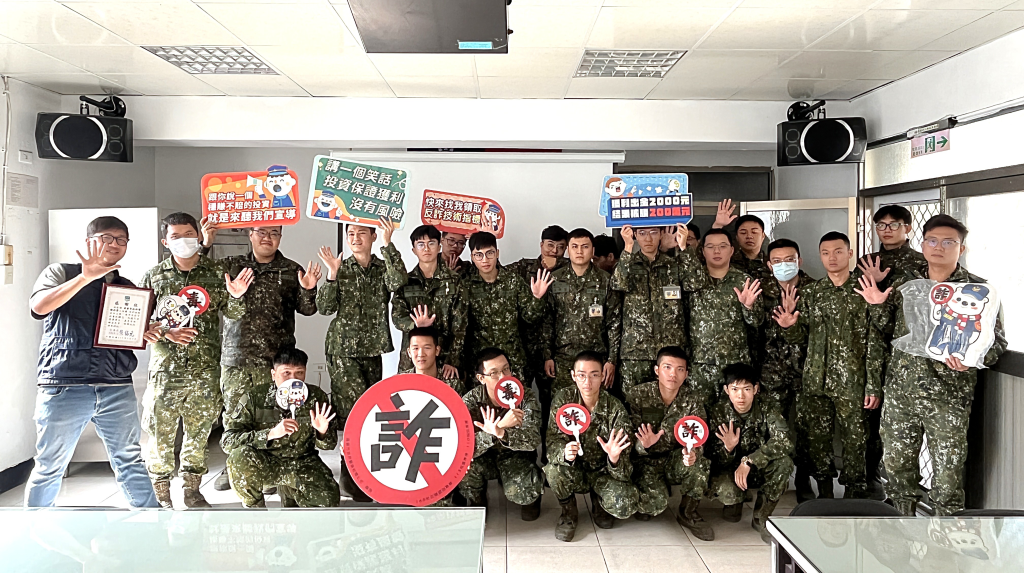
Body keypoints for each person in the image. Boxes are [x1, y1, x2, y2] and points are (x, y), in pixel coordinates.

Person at [857, 214, 1007, 516]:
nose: (939, 247)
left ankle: (945, 533)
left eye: (948, 242)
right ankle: (902, 525)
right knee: (897, 466)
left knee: (948, 474)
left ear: (961, 248)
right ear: (923, 244)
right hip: (901, 393)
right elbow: (886, 331)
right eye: (932, 241)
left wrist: (971, 361)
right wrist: (877, 306)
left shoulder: (978, 291)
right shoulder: (906, 284)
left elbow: (997, 342)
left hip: (948, 396)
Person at [25, 216, 158, 508]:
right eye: (106, 238)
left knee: (130, 459)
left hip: (116, 384)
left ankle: (152, 521)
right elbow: (39, 307)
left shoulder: (125, 286)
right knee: (50, 465)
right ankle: (33, 528)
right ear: (89, 242)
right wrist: (85, 277)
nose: (114, 244)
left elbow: (125, 335)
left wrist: (147, 332)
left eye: (121, 239)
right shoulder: (60, 272)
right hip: (65, 383)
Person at [138, 212, 254, 508]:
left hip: (205, 370)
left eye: (189, 234)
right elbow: (140, 323)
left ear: (199, 236)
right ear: (165, 242)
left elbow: (234, 315)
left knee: (199, 433)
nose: (183, 241)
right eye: (175, 236)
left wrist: (237, 296)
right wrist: (166, 332)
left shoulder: (216, 273)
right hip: (166, 371)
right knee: (160, 434)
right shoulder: (154, 276)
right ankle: (160, 493)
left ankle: (192, 490)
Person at [199, 220, 321, 492]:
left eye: (274, 233)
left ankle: (269, 467)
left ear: (281, 237)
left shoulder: (291, 270)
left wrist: (308, 289)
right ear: (250, 234)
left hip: (276, 360)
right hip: (237, 356)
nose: (268, 237)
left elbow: (307, 309)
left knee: (274, 413)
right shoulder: (233, 265)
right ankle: (234, 466)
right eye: (262, 232)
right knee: (235, 414)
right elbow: (200, 272)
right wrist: (205, 244)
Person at [773, 231, 884, 500]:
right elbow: (801, 339)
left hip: (853, 381)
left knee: (855, 439)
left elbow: (876, 341)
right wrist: (789, 327)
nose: (831, 258)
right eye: (825, 253)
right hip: (815, 380)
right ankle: (823, 492)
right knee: (816, 439)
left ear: (849, 254)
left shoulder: (864, 291)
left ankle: (854, 494)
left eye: (837, 252)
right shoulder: (812, 293)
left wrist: (873, 384)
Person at [316, 217, 406, 501]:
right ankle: (349, 473)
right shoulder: (340, 267)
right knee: (352, 411)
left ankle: (366, 468)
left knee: (370, 411)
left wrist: (389, 244)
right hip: (343, 349)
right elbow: (324, 307)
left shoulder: (382, 267)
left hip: (372, 349)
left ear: (373, 237)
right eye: (351, 233)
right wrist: (331, 274)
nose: (355, 238)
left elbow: (398, 281)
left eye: (361, 233)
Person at [855, 204, 926, 489]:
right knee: (869, 421)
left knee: (902, 424)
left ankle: (900, 483)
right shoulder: (867, 262)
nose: (886, 230)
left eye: (893, 224)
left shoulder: (922, 263)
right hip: (870, 348)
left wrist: (884, 287)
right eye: (881, 225)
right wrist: (873, 283)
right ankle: (869, 477)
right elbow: (858, 303)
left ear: (907, 227)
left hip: (907, 351)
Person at [222, 348, 341, 508]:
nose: (293, 379)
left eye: (299, 373)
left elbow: (329, 445)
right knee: (239, 458)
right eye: (286, 373)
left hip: (303, 461)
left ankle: (289, 491)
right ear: (273, 374)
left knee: (328, 503)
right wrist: (270, 434)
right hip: (266, 462)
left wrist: (321, 432)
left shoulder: (316, 397)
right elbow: (228, 441)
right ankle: (255, 509)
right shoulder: (255, 397)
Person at [544, 351, 639, 542]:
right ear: (573, 376)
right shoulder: (563, 400)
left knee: (625, 504)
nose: (587, 382)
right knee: (554, 471)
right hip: (575, 470)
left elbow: (624, 470)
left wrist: (614, 458)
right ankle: (568, 513)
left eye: (594, 375)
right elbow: (552, 442)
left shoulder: (614, 408)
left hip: (603, 472)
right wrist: (564, 453)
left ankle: (599, 503)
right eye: (581, 375)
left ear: (603, 376)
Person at [626, 346, 713, 540]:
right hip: (647, 461)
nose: (673, 374)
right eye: (667, 367)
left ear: (686, 374)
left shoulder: (693, 400)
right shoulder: (638, 395)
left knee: (699, 464)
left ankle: (688, 512)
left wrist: (693, 453)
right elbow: (628, 435)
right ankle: (653, 490)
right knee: (653, 505)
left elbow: (699, 435)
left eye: (680, 369)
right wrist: (644, 445)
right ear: (657, 370)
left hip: (676, 457)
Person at [707, 363, 794, 544]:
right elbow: (711, 458)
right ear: (726, 390)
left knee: (784, 463)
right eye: (735, 389)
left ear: (755, 389)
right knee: (729, 495)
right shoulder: (717, 413)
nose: (741, 396)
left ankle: (761, 516)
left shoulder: (768, 408)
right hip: (729, 470)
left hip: (756, 468)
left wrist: (750, 460)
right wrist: (728, 448)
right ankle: (735, 502)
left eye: (746, 389)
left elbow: (784, 441)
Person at [611, 225, 696, 396]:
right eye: (642, 233)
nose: (648, 239)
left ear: (662, 234)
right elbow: (617, 284)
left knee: (671, 400)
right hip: (635, 353)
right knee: (633, 401)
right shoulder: (627, 263)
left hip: (670, 350)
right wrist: (628, 246)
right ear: (635, 235)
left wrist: (684, 247)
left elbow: (695, 282)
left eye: (653, 233)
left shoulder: (673, 265)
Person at [761, 238, 816, 502]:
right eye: (777, 261)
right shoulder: (760, 291)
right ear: (769, 265)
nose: (784, 265)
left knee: (808, 428)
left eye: (789, 260)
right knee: (772, 426)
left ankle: (804, 479)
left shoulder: (815, 290)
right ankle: (770, 479)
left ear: (799, 261)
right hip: (771, 371)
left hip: (806, 370)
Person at [459, 348, 543, 519]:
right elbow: (462, 448)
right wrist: (498, 429)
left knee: (524, 491)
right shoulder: (470, 401)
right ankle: (477, 498)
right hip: (484, 457)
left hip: (515, 456)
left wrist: (504, 435)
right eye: (494, 373)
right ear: (481, 378)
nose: (503, 377)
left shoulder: (525, 396)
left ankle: (532, 499)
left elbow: (534, 440)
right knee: (464, 470)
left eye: (506, 369)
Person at [683, 227, 764, 404]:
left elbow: (757, 322)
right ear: (702, 251)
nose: (717, 251)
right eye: (711, 247)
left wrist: (748, 307)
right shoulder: (691, 281)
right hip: (700, 365)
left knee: (735, 413)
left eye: (722, 246)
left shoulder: (744, 281)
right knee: (701, 414)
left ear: (732, 250)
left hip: (736, 363)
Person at [460, 231, 552, 381]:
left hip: (512, 359)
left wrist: (536, 298)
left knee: (515, 396)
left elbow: (530, 318)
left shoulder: (513, 281)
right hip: (481, 363)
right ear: (472, 257)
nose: (485, 260)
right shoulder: (466, 285)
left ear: (497, 253)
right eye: (479, 255)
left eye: (490, 253)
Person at [542, 228, 622, 397]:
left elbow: (614, 322)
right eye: (575, 246)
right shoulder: (554, 279)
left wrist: (611, 360)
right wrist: (547, 356)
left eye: (585, 247)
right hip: (563, 359)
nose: (579, 251)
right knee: (563, 406)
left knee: (595, 405)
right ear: (568, 250)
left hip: (596, 359)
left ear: (593, 251)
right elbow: (548, 320)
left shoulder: (605, 280)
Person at [391, 225, 466, 378]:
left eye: (431, 243)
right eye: (420, 244)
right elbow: (397, 316)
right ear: (414, 250)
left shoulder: (454, 281)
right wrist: (415, 325)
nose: (426, 249)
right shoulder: (406, 282)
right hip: (413, 360)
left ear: (439, 247)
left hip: (445, 359)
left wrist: (452, 360)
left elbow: (460, 325)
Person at [507, 225, 569, 405]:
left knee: (552, 400)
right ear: (541, 245)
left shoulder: (568, 269)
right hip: (523, 347)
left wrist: (556, 267)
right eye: (550, 245)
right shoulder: (524, 267)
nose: (554, 251)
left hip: (553, 349)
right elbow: (493, 270)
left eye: (560, 247)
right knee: (519, 397)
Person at [406, 326, 463, 393]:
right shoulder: (401, 381)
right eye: (415, 348)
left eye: (427, 348)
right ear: (409, 352)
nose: (421, 354)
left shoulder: (452, 385)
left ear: (437, 350)